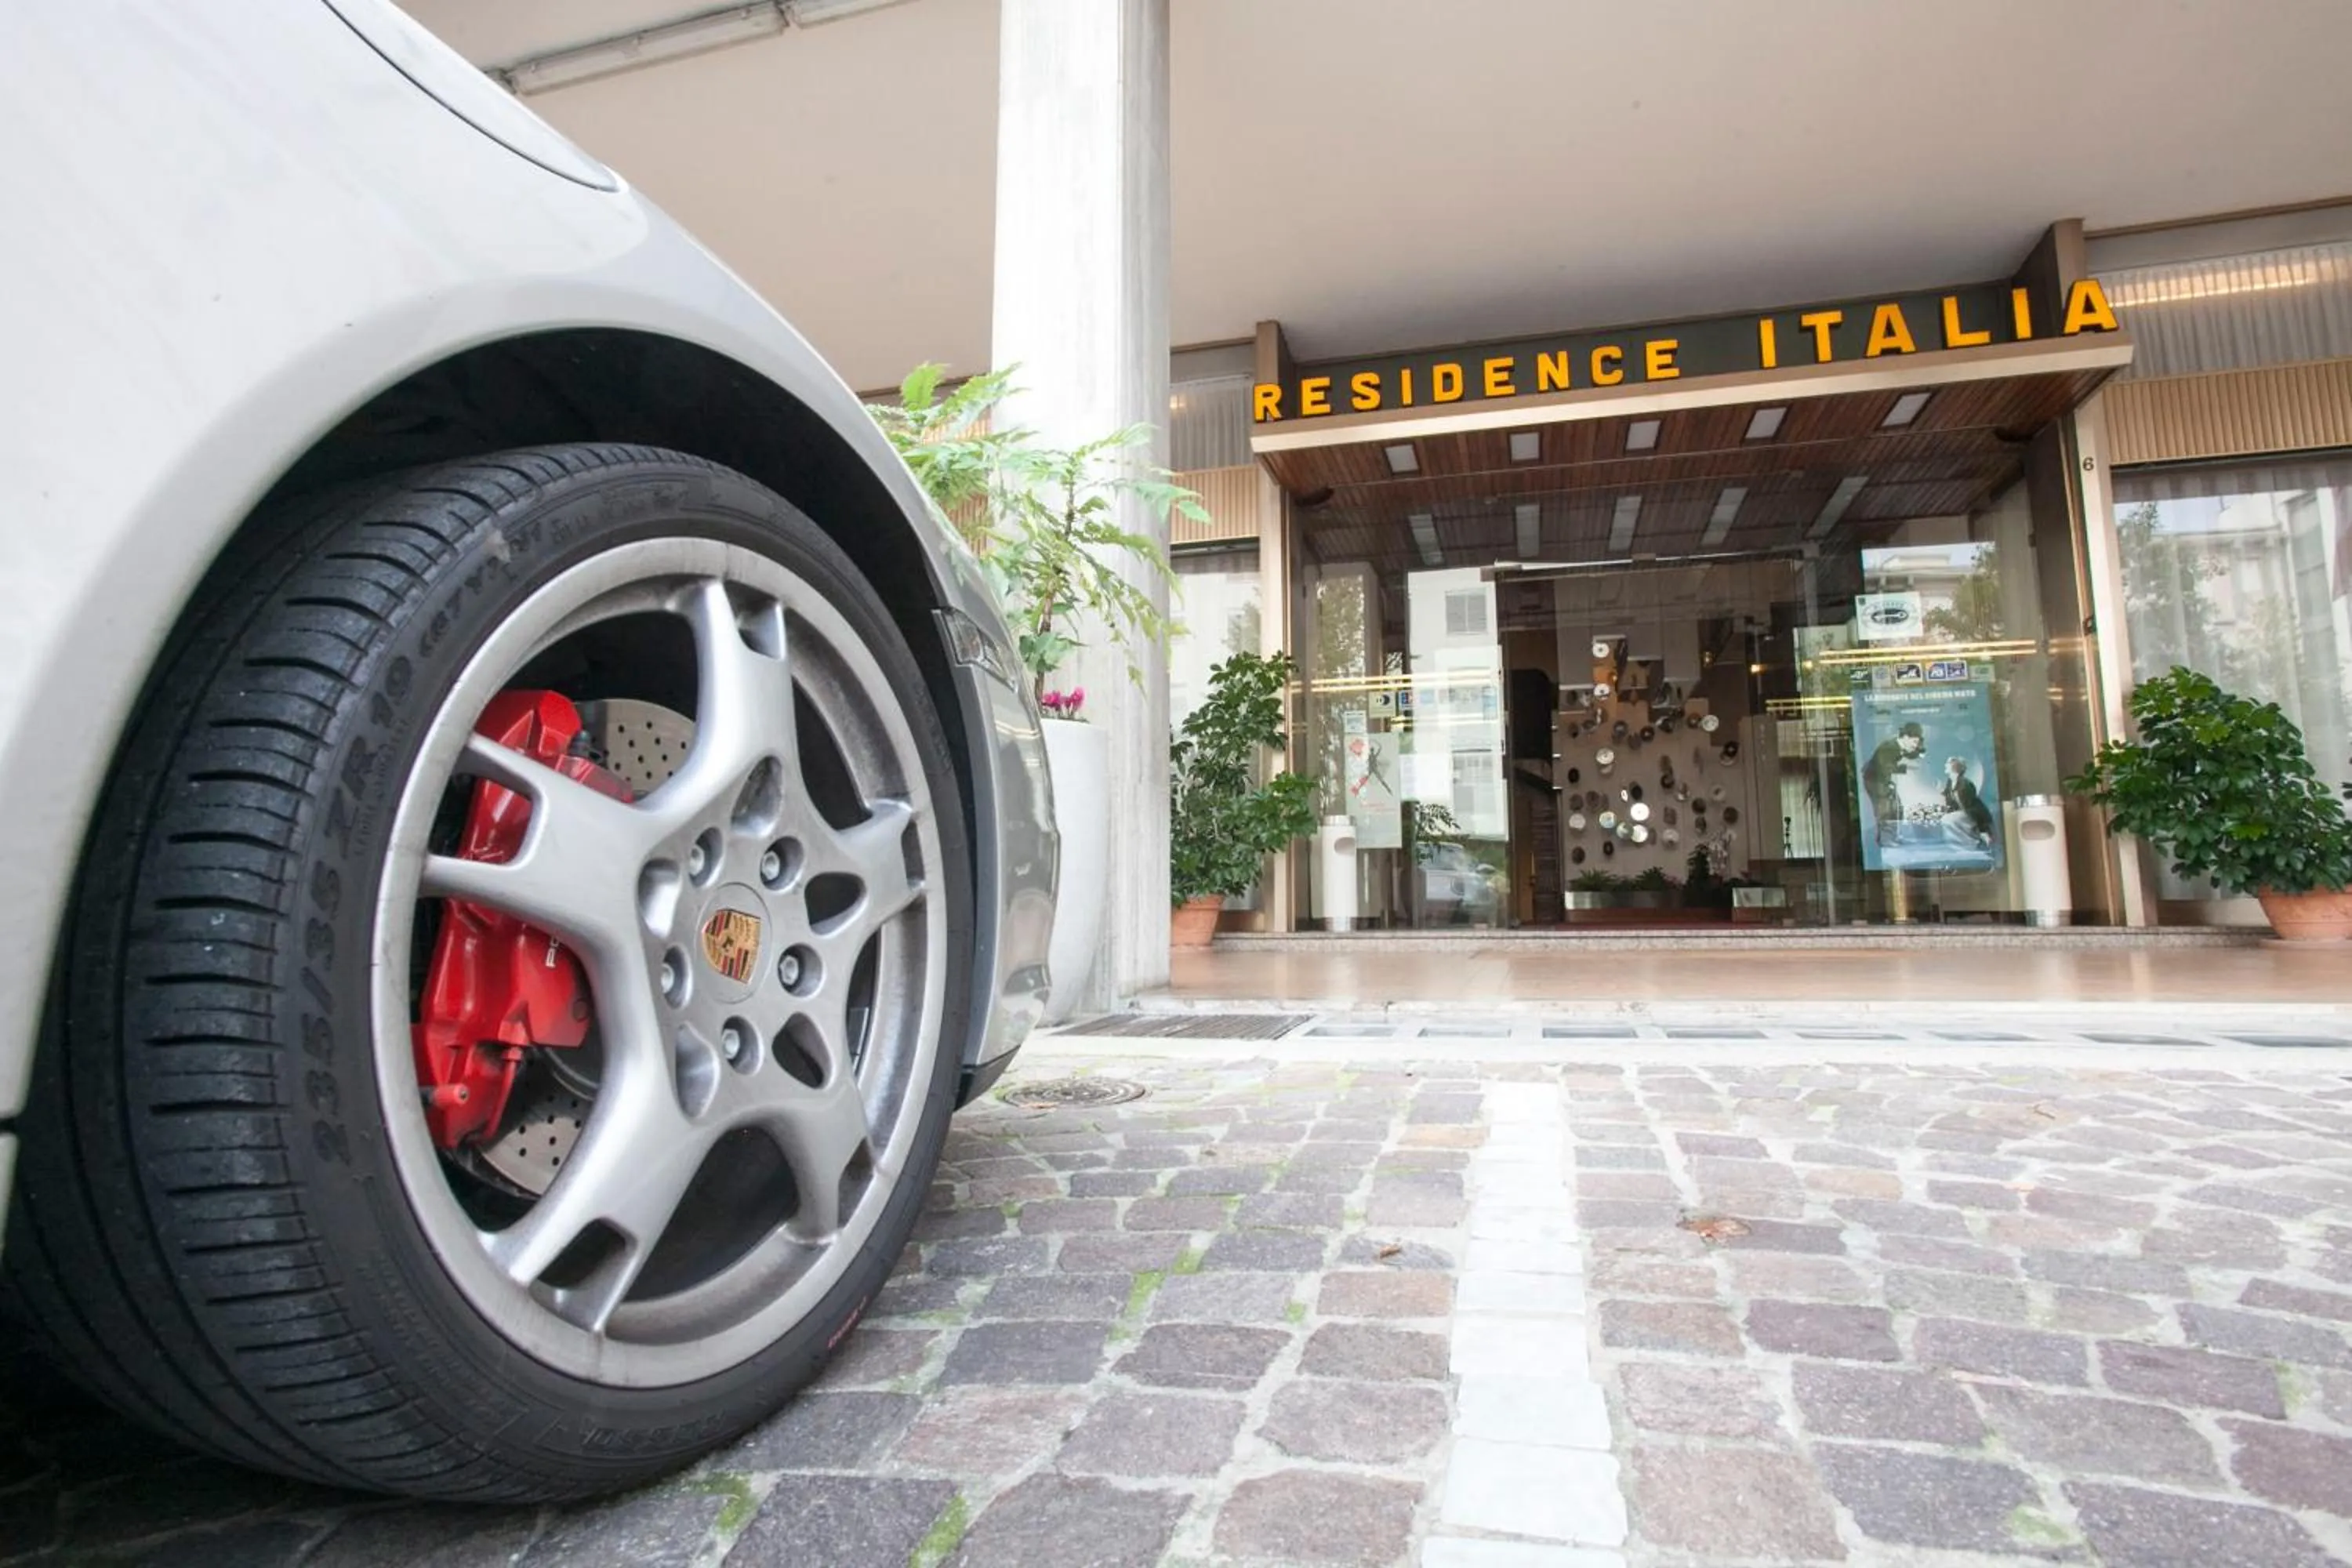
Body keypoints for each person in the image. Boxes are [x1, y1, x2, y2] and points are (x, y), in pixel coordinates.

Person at [1861, 722, 1926, 845]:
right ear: (1905, 737)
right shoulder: (1889, 747)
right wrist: (1905, 768)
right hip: (1875, 781)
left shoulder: (1900, 746)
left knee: (1897, 808)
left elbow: (1910, 754)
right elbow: (1884, 767)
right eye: (1914, 742)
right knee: (1886, 809)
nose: (1915, 746)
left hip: (1882, 780)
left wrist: (1919, 752)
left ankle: (1893, 836)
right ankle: (1886, 839)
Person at [1940, 756, 1995, 849]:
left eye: (1948, 764)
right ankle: (1957, 844)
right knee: (1946, 819)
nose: (1945, 765)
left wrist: (1982, 829)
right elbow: (1951, 800)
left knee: (1948, 819)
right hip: (1963, 812)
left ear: (1954, 767)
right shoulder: (1950, 782)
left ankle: (1969, 844)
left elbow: (1973, 807)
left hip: (1973, 814)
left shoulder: (1966, 784)